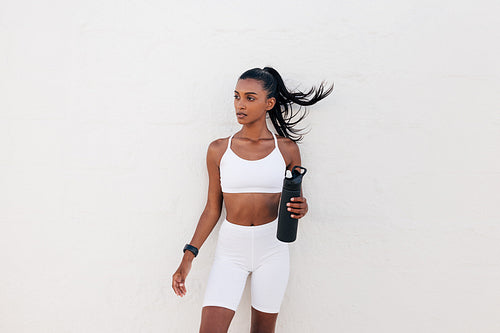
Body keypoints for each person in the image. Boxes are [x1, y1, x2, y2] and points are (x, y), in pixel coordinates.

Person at [172, 67, 333, 333]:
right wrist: (189, 255)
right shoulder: (218, 149)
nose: (240, 105)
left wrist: (302, 207)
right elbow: (213, 209)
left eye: (249, 98)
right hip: (230, 252)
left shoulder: (287, 149)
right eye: (236, 97)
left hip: (272, 250)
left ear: (269, 103)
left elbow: (293, 203)